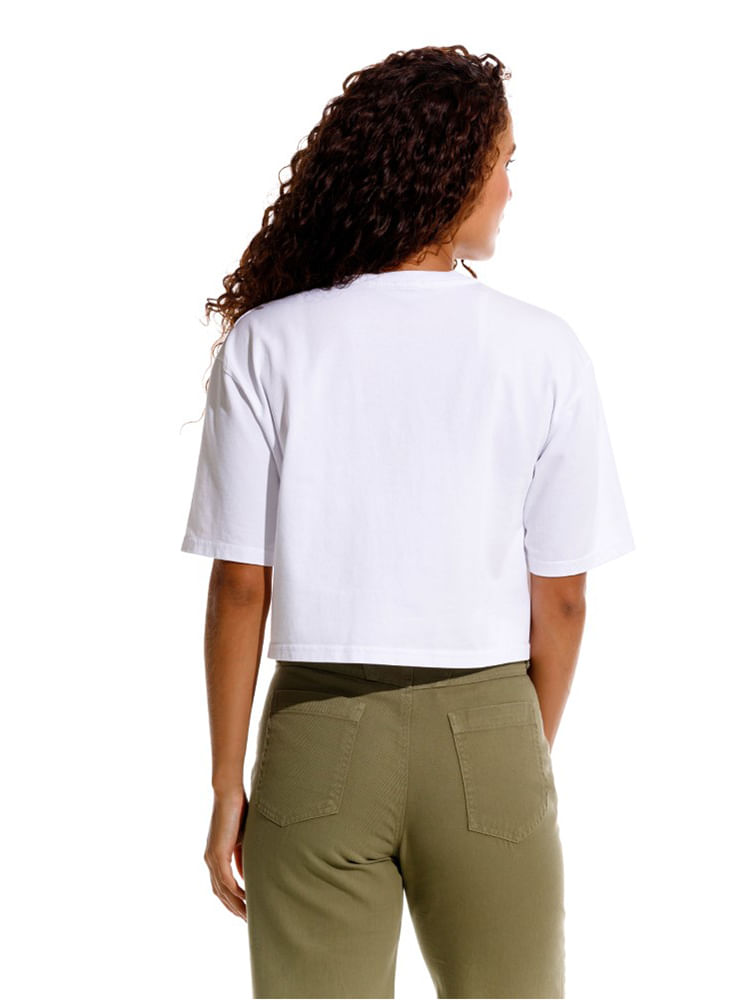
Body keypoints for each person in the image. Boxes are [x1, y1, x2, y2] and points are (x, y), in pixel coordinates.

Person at [180, 44, 635, 999]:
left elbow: (240, 588)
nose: (510, 189)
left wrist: (227, 787)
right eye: (503, 163)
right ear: (452, 170)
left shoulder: (270, 342)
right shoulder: (543, 351)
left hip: (317, 736)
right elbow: (561, 602)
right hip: (489, 728)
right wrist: (512, 753)